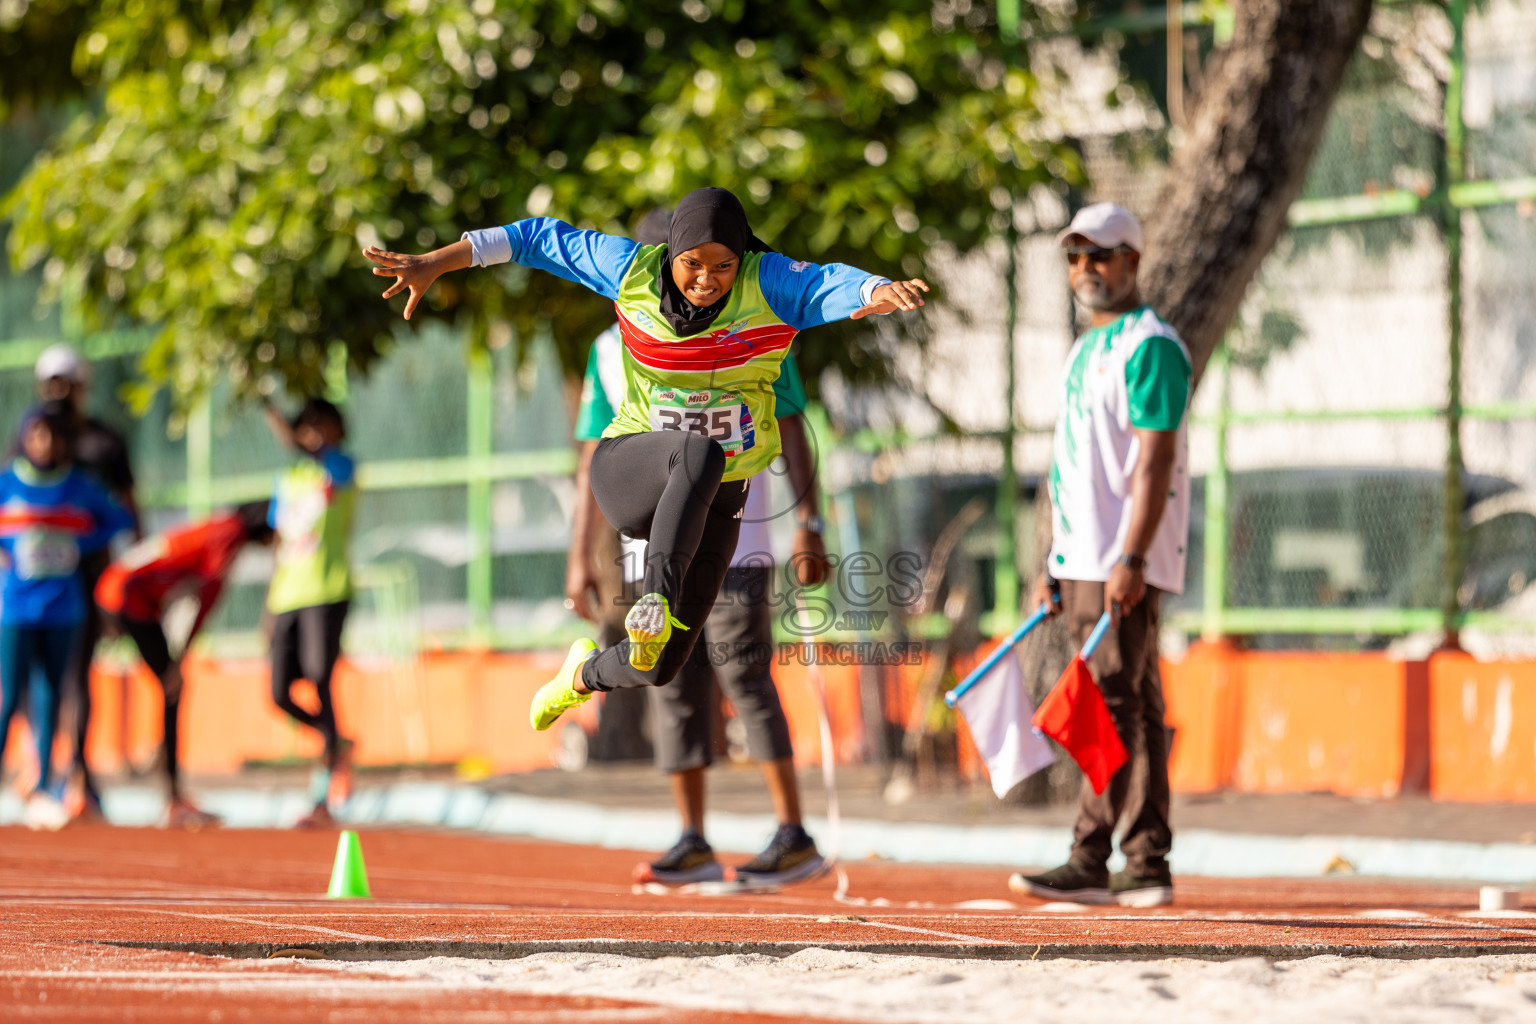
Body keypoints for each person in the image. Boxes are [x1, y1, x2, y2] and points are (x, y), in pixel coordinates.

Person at [366, 186, 927, 734]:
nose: (706, 280)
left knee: (657, 664)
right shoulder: (627, 268)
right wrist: (437, 261)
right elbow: (536, 237)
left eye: (723, 267)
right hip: (629, 470)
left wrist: (875, 290)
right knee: (700, 451)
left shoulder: (770, 282)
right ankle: (654, 600)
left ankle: (580, 674)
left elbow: (831, 280)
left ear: (742, 259)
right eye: (692, 265)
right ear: (671, 253)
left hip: (716, 499)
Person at [565, 209, 832, 884]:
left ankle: (793, 832)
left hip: (734, 535)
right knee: (671, 682)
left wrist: (810, 521)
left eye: (708, 267)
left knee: (745, 674)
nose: (690, 285)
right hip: (646, 545)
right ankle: (692, 838)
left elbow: (794, 425)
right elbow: (594, 451)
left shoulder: (758, 319)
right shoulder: (611, 343)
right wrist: (580, 553)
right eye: (673, 265)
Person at [1011, 203, 1191, 908]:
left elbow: (1156, 465)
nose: (1087, 269)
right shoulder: (1087, 350)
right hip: (1082, 558)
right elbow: (1070, 467)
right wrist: (1053, 561)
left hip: (1124, 558)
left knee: (1109, 702)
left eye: (1102, 254)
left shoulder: (1151, 347)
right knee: (1136, 704)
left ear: (1133, 262)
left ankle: (1089, 855)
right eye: (1075, 256)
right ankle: (1146, 861)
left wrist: (1133, 558)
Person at [95, 501, 276, 828]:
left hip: (120, 590)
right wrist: (181, 656)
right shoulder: (229, 534)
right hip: (126, 596)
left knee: (168, 686)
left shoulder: (220, 523)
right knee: (173, 686)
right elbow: (207, 594)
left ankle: (161, 763)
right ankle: (173, 796)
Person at [0, 401, 132, 829]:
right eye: (36, 434)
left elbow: (117, 518)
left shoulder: (79, 485)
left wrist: (83, 542)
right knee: (8, 696)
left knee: (52, 695)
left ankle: (43, 787)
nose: (43, 443)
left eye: (52, 435)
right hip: (15, 608)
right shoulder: (7, 484)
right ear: (23, 438)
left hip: (64, 608)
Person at [28, 344, 142, 821]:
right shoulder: (31, 437)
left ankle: (78, 773)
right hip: (37, 582)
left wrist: (135, 568)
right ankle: (45, 775)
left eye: (66, 384)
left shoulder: (104, 443)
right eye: (50, 384)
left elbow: (129, 507)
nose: (58, 393)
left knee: (77, 676)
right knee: (41, 681)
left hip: (89, 574)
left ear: (80, 387)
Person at [260, 395, 358, 828]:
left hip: (327, 590)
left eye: (323, 425)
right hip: (287, 595)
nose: (315, 432)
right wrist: (268, 603)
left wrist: (290, 432)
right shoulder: (288, 476)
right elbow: (279, 540)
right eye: (307, 425)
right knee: (279, 692)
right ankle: (335, 741)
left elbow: (330, 469)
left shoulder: (340, 469)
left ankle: (323, 795)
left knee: (320, 678)